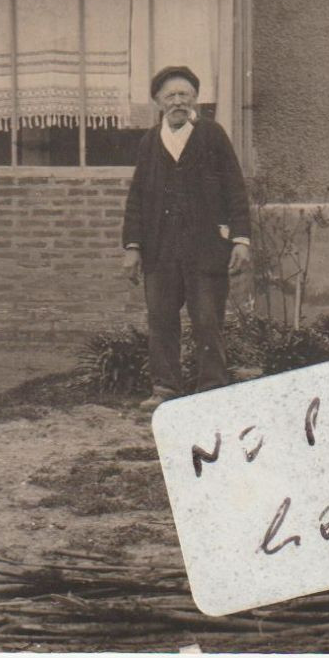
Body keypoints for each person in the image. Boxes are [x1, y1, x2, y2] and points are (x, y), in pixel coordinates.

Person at [121, 65, 251, 409]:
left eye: (184, 95)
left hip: (205, 247)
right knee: (161, 319)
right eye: (170, 96)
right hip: (160, 249)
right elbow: (136, 197)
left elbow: (235, 189)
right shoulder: (150, 142)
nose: (178, 101)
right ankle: (165, 387)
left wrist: (241, 239)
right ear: (159, 102)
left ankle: (211, 387)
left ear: (195, 99)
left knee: (207, 320)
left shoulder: (212, 135)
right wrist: (132, 246)